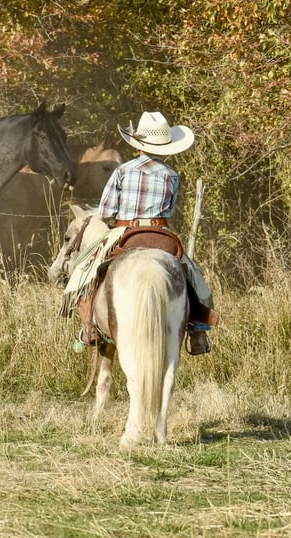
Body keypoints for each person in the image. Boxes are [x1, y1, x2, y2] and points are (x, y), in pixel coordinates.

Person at [65, 111, 217, 355]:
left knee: (86, 271)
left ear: (138, 146)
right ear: (166, 147)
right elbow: (170, 209)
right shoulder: (172, 175)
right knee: (192, 273)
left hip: (125, 229)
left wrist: (116, 220)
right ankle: (197, 330)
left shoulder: (122, 171)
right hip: (160, 231)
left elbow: (106, 212)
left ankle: (89, 326)